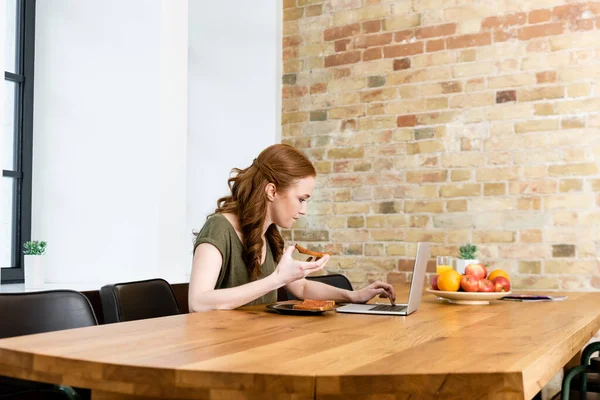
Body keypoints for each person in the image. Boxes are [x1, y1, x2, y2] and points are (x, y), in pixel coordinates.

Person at [188, 144, 396, 312]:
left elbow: (301, 286)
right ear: (271, 191)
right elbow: (198, 302)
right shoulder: (219, 228)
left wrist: (354, 296)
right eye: (301, 199)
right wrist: (277, 279)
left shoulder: (269, 234)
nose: (304, 210)